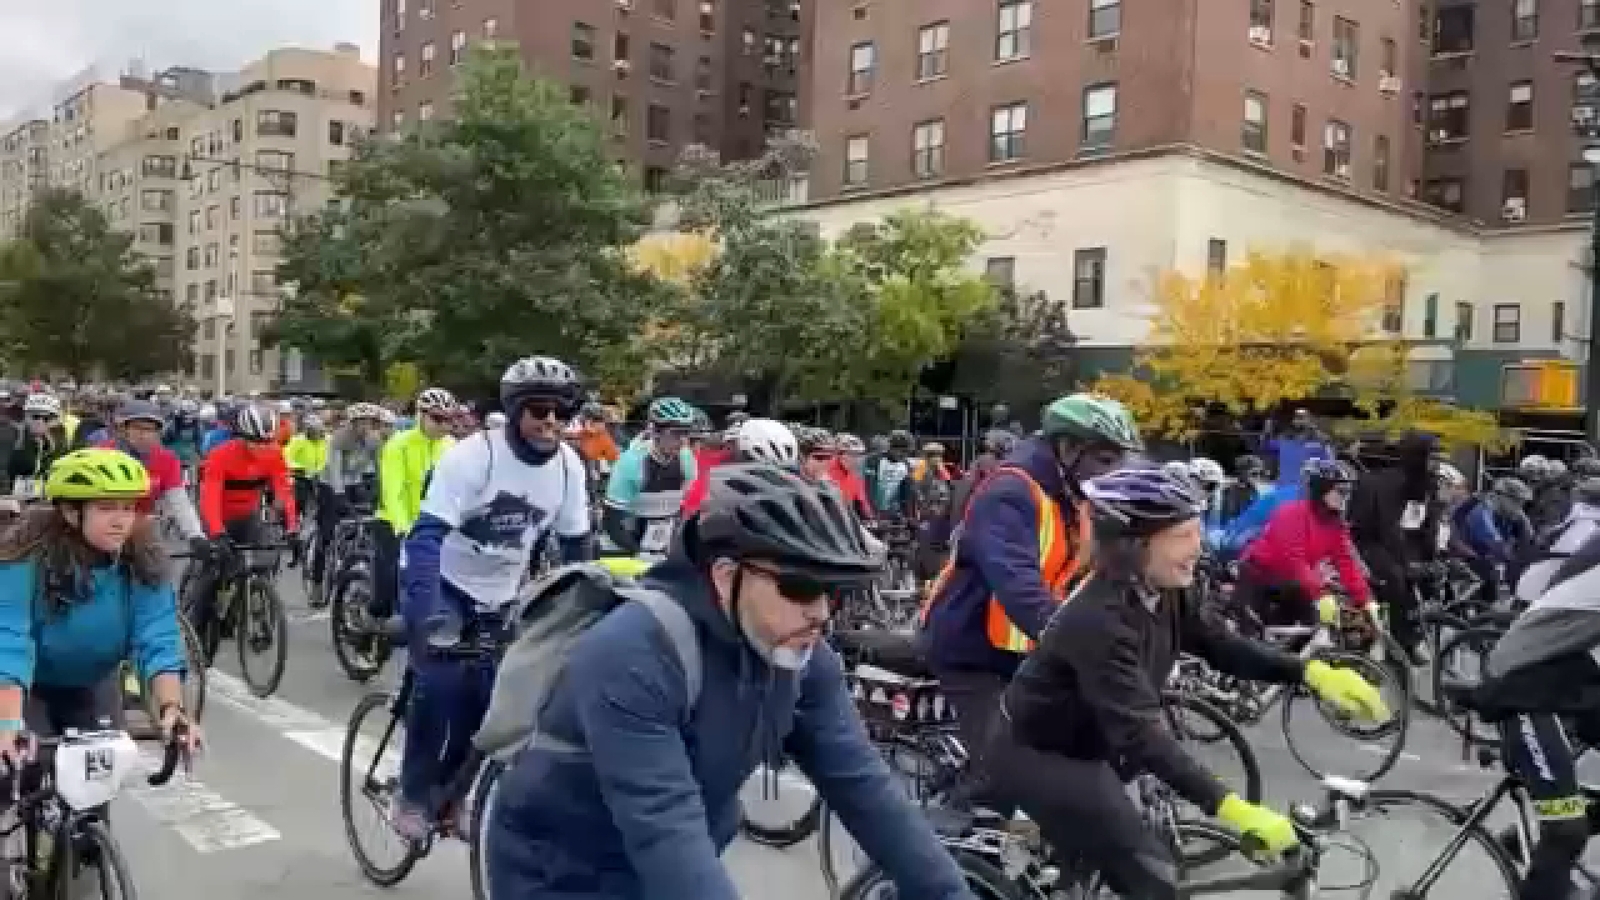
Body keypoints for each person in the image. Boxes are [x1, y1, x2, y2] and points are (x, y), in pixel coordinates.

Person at [485, 464, 977, 900]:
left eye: (834, 593)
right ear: (725, 576)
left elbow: (866, 788)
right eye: (801, 588)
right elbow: (663, 825)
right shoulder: (633, 651)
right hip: (562, 871)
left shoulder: (803, 656)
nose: (821, 613)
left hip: (685, 858)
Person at [990, 466, 1388, 900]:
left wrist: (1309, 673)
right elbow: (1142, 733)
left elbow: (1219, 644)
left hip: (1091, 740)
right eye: (1182, 536)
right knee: (1151, 879)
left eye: (1196, 532)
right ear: (1133, 545)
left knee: (1106, 865)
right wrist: (1233, 808)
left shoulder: (1166, 588)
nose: (1197, 548)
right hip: (1041, 754)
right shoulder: (1097, 620)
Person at [396, 356, 593, 840]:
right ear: (517, 410)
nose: (551, 422)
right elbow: (425, 539)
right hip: (444, 579)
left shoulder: (569, 468)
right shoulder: (472, 457)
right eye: (540, 410)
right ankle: (413, 792)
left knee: (491, 702)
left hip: (501, 592)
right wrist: (425, 618)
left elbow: (576, 551)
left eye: (562, 413)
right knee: (439, 687)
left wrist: (582, 617)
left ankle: (454, 797)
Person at [921, 393, 1141, 808]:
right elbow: (1018, 584)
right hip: (970, 649)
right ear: (1068, 448)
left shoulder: (1071, 496)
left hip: (1021, 647)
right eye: (1105, 457)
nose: (1113, 471)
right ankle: (944, 847)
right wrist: (1080, 646)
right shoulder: (1010, 491)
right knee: (1007, 767)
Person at [0, 449, 203, 764]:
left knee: (96, 785)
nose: (121, 520)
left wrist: (171, 709)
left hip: (93, 683)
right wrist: (8, 724)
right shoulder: (22, 561)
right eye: (106, 508)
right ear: (70, 512)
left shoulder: (142, 561)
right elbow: (9, 643)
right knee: (21, 771)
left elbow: (157, 638)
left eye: (128, 508)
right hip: (25, 687)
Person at [1236, 459, 1376, 630]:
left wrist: (1366, 600)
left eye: (1349, 492)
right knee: (1250, 635)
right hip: (1258, 577)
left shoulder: (1335, 524)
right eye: (1341, 491)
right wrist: (1320, 594)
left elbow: (1345, 562)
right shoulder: (1291, 514)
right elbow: (1295, 560)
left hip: (1293, 583)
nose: (1346, 498)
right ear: (1322, 489)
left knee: (1314, 632)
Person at [192, 406, 298, 632]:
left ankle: (252, 602)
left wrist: (292, 527)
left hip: (248, 515)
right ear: (241, 437)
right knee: (214, 570)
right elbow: (209, 499)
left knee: (263, 559)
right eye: (256, 442)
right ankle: (197, 626)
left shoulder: (274, 453)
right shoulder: (220, 455)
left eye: (266, 442)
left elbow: (283, 493)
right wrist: (218, 533)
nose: (262, 448)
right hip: (217, 516)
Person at [1348, 431, 1442, 663]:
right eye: (1432, 456)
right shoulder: (1382, 483)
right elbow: (1385, 529)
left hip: (1402, 544)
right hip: (1370, 543)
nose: (1437, 463)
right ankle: (1401, 642)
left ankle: (1413, 635)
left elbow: (1423, 528)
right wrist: (1407, 562)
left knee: (1430, 574)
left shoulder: (1424, 487)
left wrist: (1431, 560)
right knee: (1397, 576)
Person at [371, 389, 456, 624]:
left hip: (434, 525)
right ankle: (376, 618)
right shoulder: (398, 444)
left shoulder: (452, 446)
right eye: (437, 419)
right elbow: (393, 489)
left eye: (448, 419)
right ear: (421, 416)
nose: (443, 425)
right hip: (395, 520)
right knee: (389, 578)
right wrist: (403, 526)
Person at [97, 400, 207, 552]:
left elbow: (180, 502)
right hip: (104, 523)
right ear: (123, 429)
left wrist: (195, 535)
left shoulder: (167, 460)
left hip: (143, 525)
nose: (146, 435)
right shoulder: (102, 454)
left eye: (152, 430)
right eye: (139, 429)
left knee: (159, 570)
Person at [308, 402, 386, 607]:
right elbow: (334, 469)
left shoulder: (374, 440)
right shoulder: (340, 438)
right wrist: (339, 495)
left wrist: (383, 492)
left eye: (369, 423)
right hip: (330, 485)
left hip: (355, 483)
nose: (365, 427)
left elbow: (381, 468)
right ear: (352, 423)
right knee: (327, 533)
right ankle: (317, 584)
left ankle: (355, 561)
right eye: (360, 423)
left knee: (366, 525)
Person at [602, 397, 699, 556]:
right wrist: (639, 553)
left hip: (660, 546)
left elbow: (677, 510)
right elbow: (611, 523)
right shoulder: (631, 463)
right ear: (654, 431)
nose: (683, 441)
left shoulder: (687, 459)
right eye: (676, 434)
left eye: (686, 433)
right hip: (625, 544)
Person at [681, 418, 798, 516]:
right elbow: (693, 507)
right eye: (731, 443)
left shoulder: (796, 484)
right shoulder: (714, 470)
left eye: (735, 443)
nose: (732, 448)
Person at [9, 393, 74, 499]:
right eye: (35, 417)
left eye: (47, 418)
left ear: (56, 420)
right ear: (26, 417)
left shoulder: (63, 441)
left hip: (50, 499)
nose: (40, 422)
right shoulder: (14, 437)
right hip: (18, 500)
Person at [1264, 408, 1333, 488]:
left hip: (1306, 490)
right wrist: (1267, 431)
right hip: (1284, 488)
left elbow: (1330, 465)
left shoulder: (1318, 444)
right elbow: (1266, 445)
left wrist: (1315, 464)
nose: (1298, 421)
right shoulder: (1283, 441)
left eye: (1302, 418)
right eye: (1297, 418)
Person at [863, 430, 915, 519]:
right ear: (891, 448)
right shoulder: (874, 460)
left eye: (907, 452)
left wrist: (910, 516)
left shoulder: (906, 464)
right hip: (874, 511)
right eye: (902, 451)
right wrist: (872, 514)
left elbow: (907, 492)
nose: (904, 455)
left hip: (894, 512)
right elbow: (869, 489)